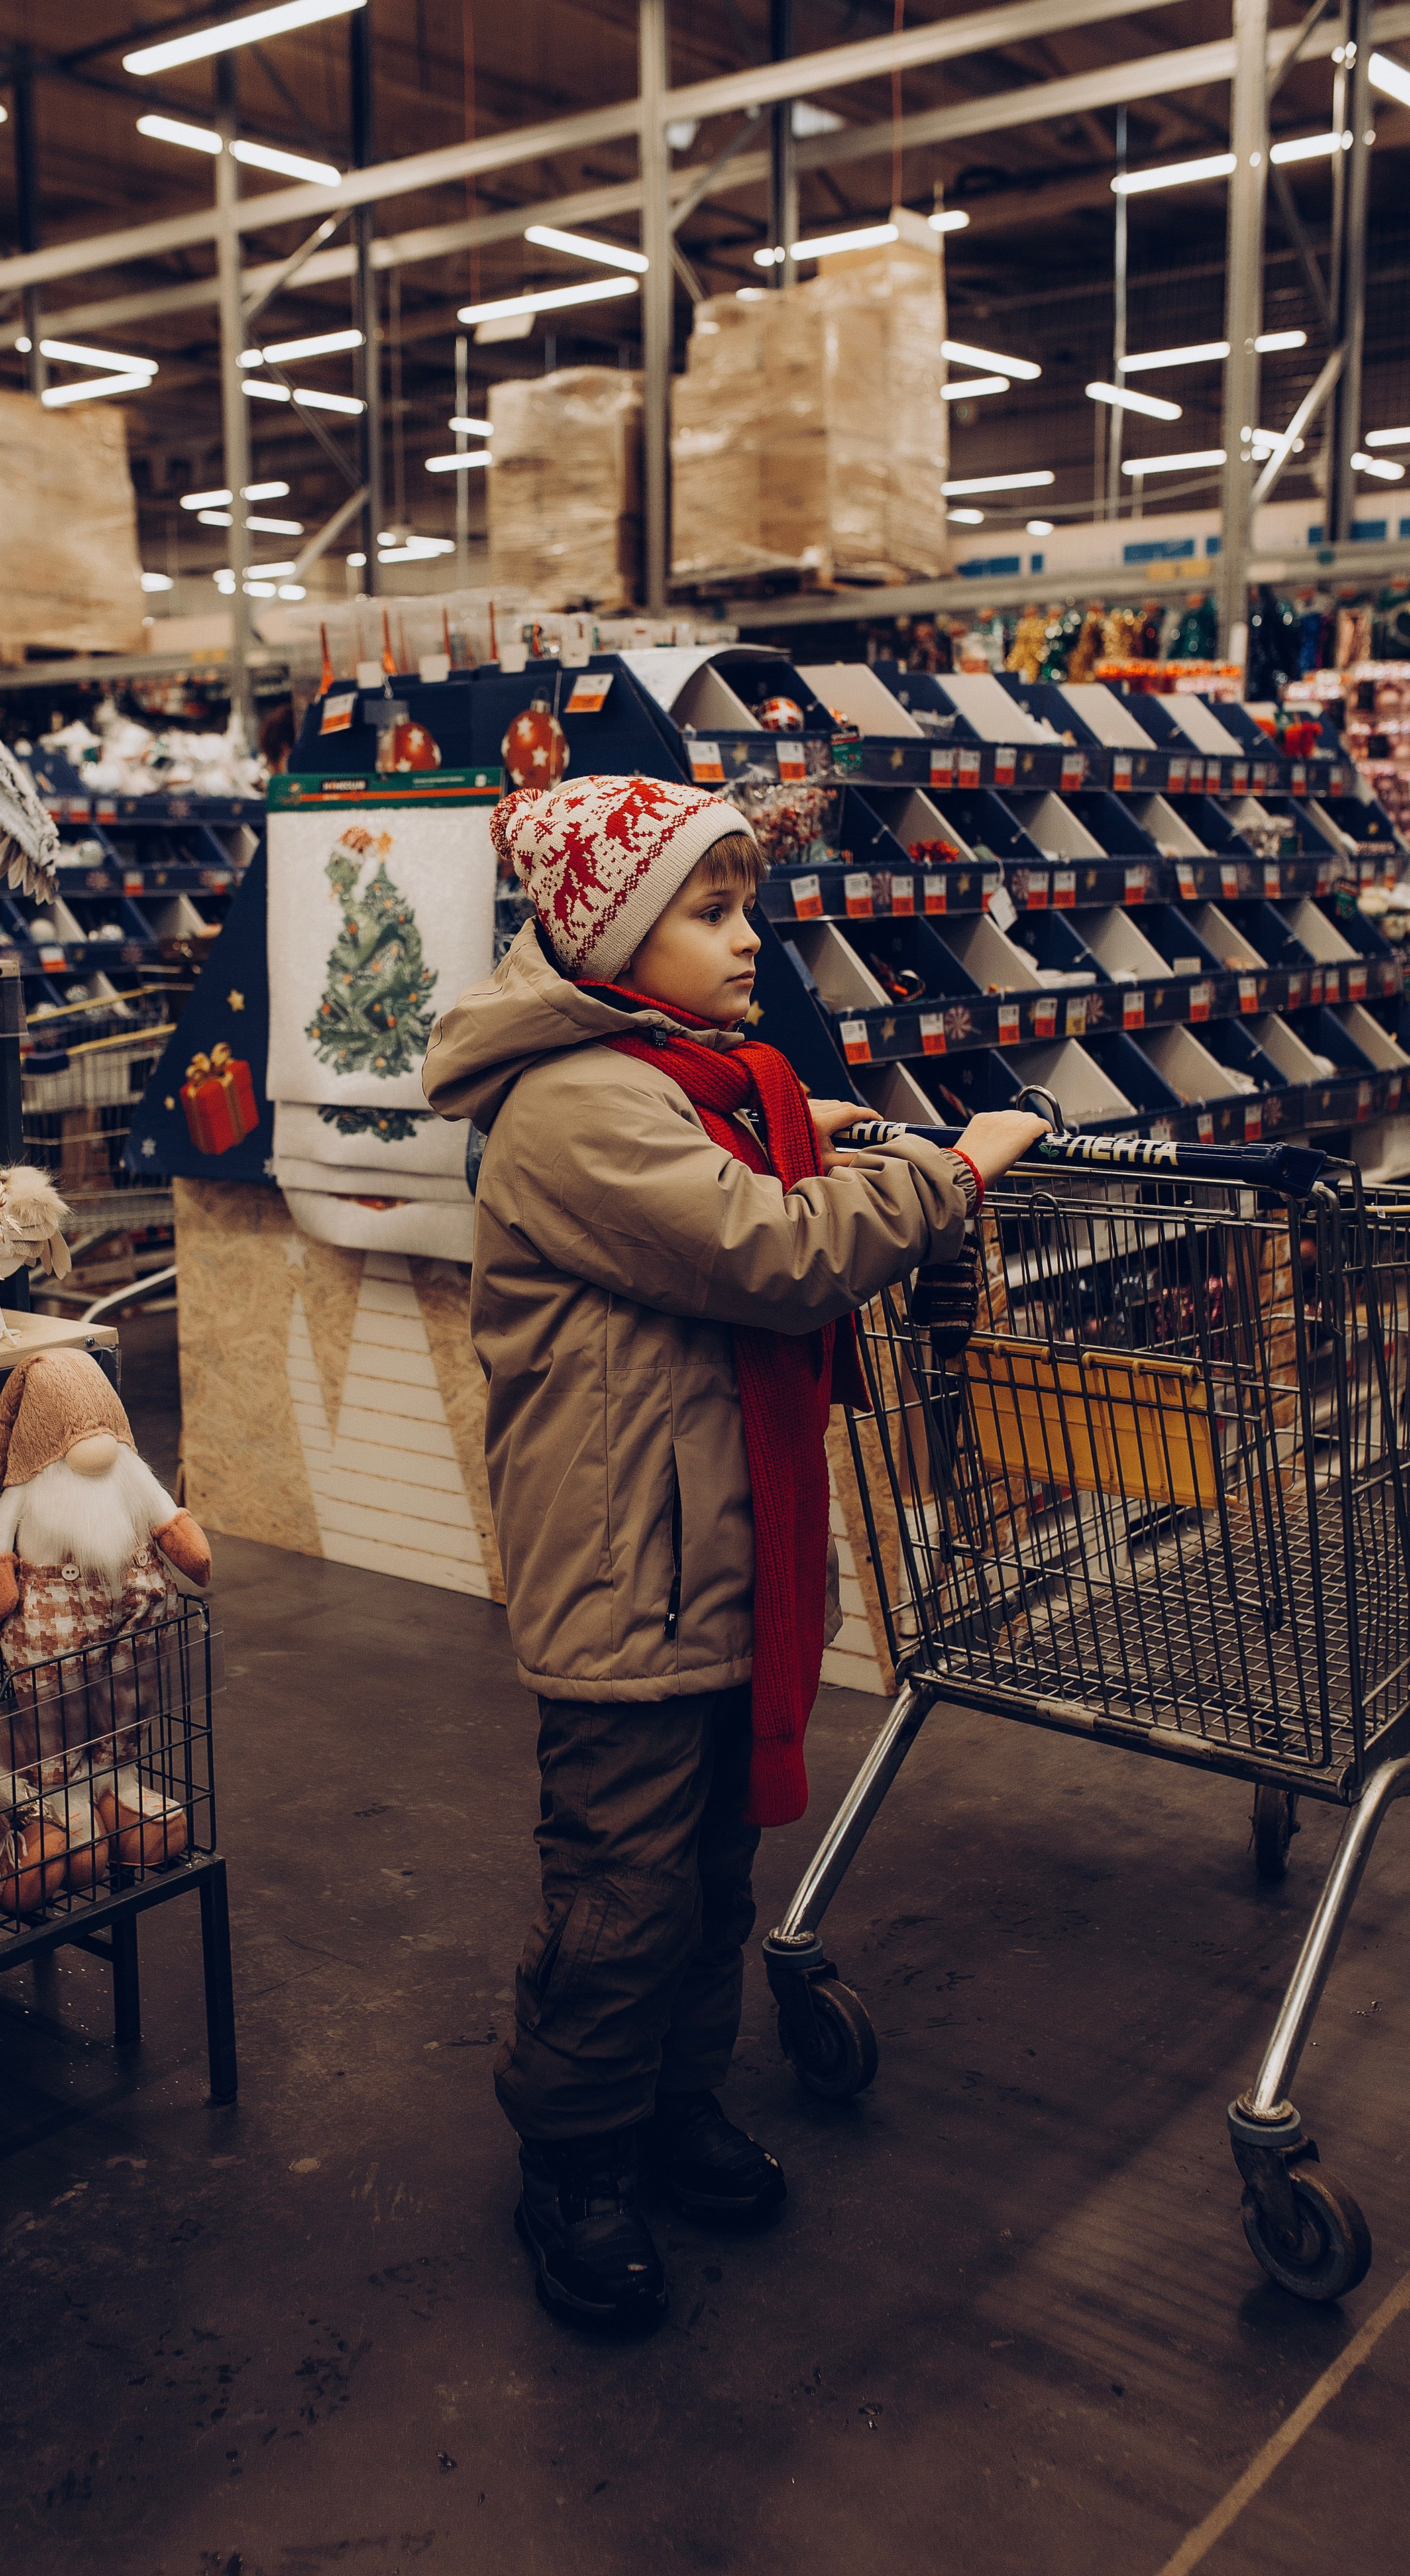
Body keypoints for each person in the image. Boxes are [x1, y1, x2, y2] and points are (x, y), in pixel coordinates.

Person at [423, 773, 1046, 2334]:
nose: (744, 936)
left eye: (743, 903)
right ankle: (570, 2160)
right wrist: (951, 1167)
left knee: (706, 1877)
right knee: (618, 1891)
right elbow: (773, 1249)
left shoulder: (666, 1073)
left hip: (715, 1563)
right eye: (707, 911)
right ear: (610, 939)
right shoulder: (574, 1105)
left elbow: (727, 1147)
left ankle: (672, 2108)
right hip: (626, 1578)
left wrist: (803, 1119)